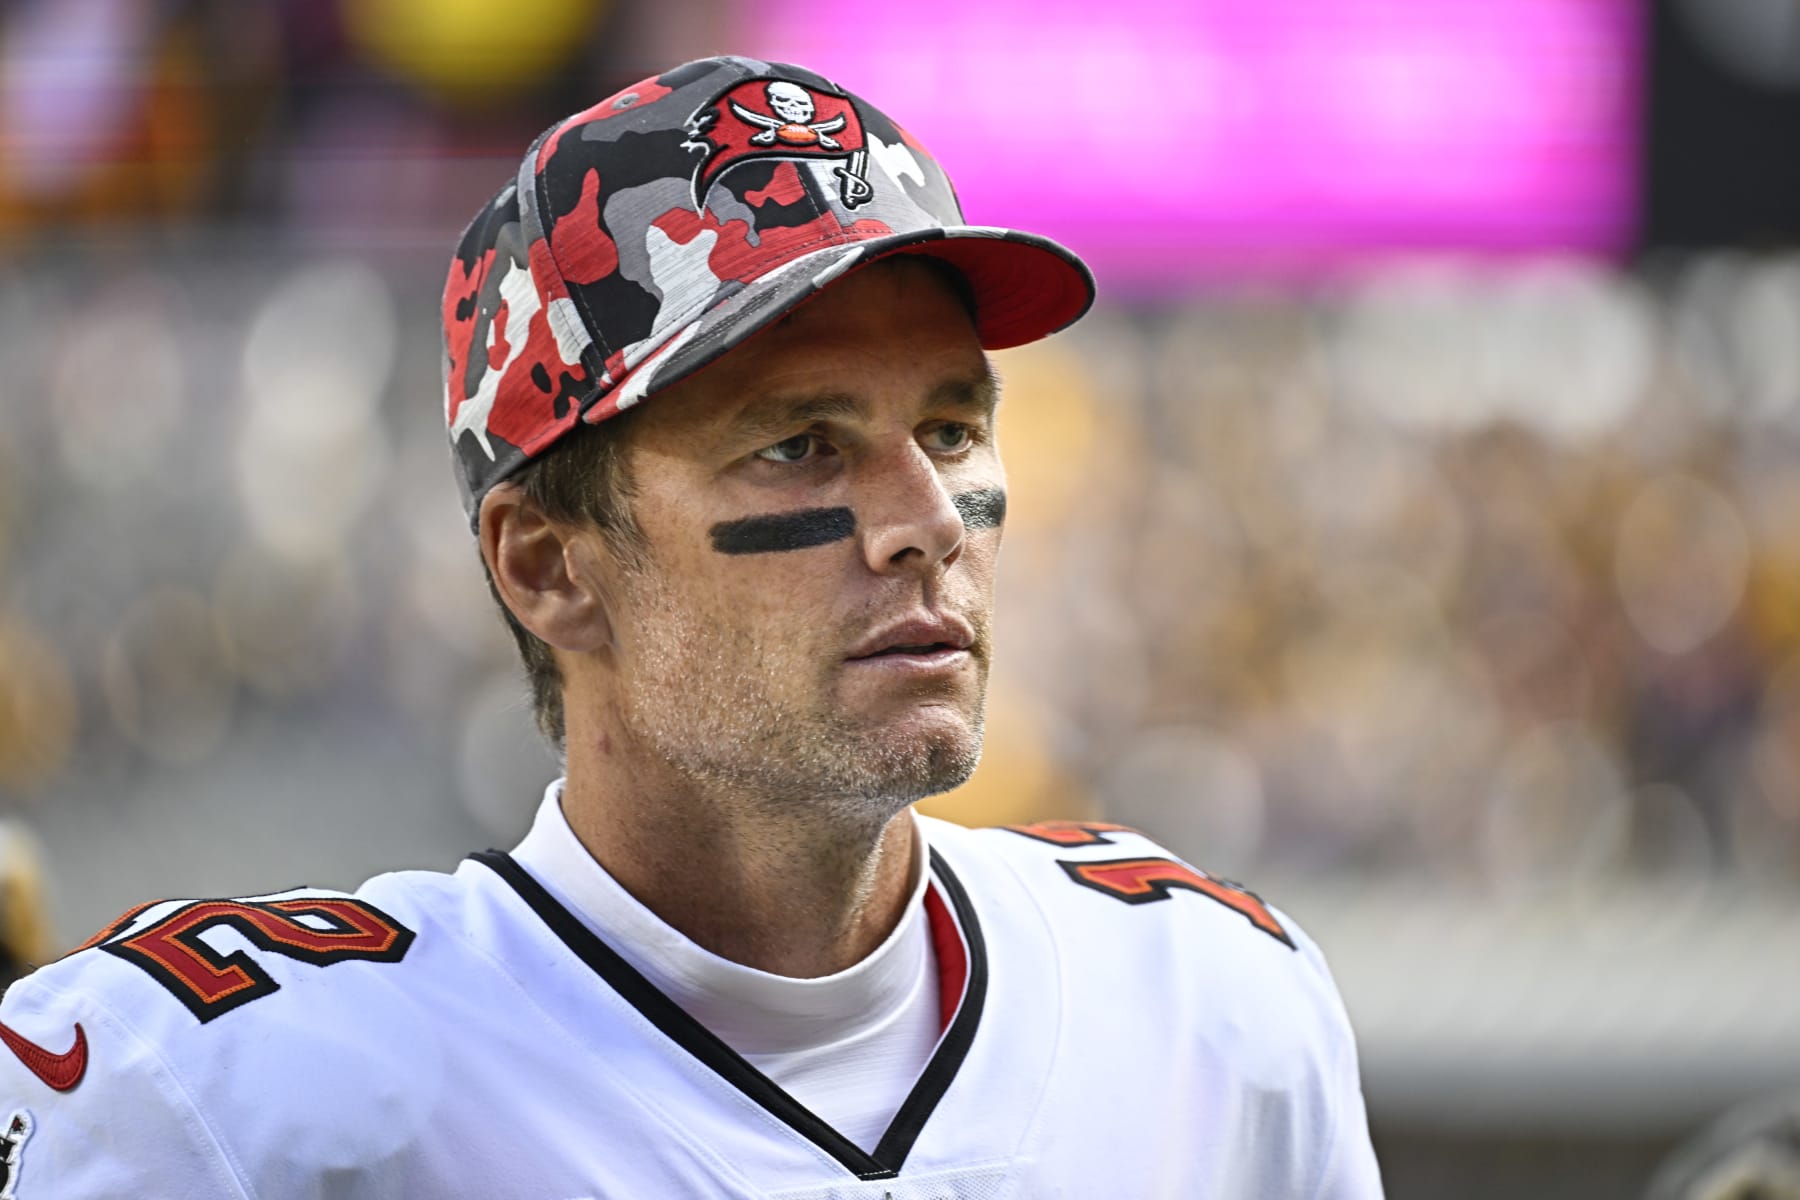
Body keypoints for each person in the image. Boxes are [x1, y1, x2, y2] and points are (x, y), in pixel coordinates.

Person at [0, 56, 1383, 1196]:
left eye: (952, 425)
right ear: (549, 566)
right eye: (799, 445)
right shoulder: (226, 1100)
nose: (927, 517)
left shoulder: (1214, 1014)